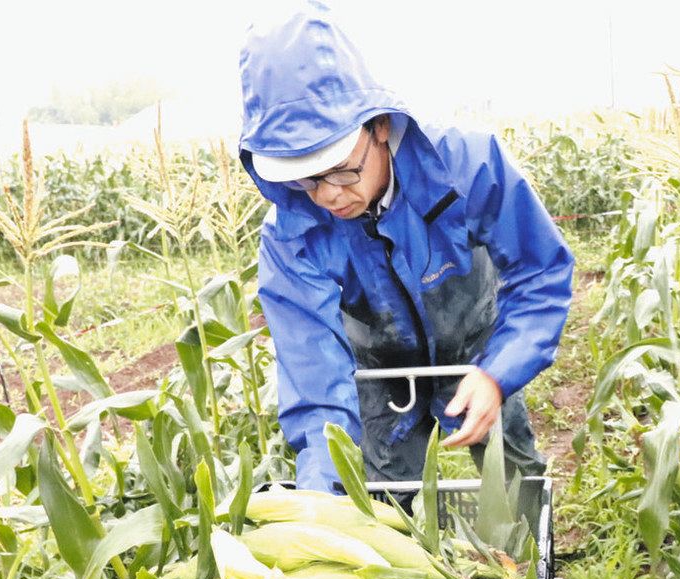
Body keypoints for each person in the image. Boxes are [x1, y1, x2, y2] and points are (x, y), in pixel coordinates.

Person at [237, 1, 574, 492]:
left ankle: (530, 558)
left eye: (341, 169)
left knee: (516, 479)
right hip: (377, 371)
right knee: (388, 502)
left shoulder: (466, 164)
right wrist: (323, 493)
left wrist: (499, 373)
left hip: (476, 348)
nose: (328, 194)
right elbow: (314, 381)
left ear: (379, 126)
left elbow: (540, 271)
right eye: (304, 180)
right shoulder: (292, 235)